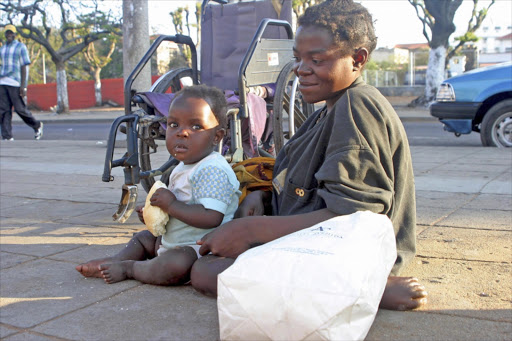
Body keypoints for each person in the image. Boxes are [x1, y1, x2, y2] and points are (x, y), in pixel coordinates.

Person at [191, 0, 428, 311]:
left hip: (343, 256)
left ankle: (358, 291)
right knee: (208, 263)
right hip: (317, 243)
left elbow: (355, 218)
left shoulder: (357, 108)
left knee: (206, 273)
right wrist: (263, 198)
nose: (301, 69)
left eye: (316, 60)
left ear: (357, 59)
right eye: (297, 58)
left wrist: (251, 232)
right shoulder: (328, 109)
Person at [75, 85, 241, 285]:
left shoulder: (212, 169)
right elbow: (182, 205)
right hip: (174, 241)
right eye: (174, 125)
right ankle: (117, 259)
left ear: (217, 136)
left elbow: (211, 217)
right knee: (144, 238)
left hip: (199, 249)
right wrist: (155, 213)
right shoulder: (185, 165)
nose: (183, 133)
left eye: (196, 127)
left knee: (176, 263)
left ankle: (130, 268)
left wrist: (170, 206)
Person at [0, 24, 43, 141]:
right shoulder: (2, 49)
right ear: (5, 35)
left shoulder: (20, 47)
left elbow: (24, 66)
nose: (9, 35)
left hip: (15, 82)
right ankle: (7, 136)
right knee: (4, 110)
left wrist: (23, 86)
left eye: (11, 33)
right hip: (2, 82)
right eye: (7, 33)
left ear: (14, 35)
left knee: (19, 109)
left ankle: (37, 125)